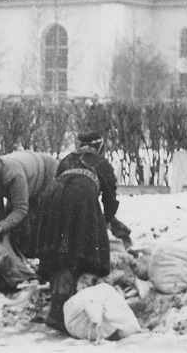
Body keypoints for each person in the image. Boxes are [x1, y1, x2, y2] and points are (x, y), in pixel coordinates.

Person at [36, 131, 120, 334]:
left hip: (52, 197)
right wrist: (105, 221)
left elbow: (59, 181)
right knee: (79, 252)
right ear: (99, 147)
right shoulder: (102, 163)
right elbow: (109, 199)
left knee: (60, 250)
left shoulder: (67, 159)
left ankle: (59, 307)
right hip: (80, 198)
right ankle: (61, 313)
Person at [0, 146, 59, 258]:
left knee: (37, 221)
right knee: (11, 221)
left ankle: (35, 258)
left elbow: (21, 209)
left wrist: (1, 227)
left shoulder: (12, 173)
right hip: (27, 176)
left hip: (46, 172)